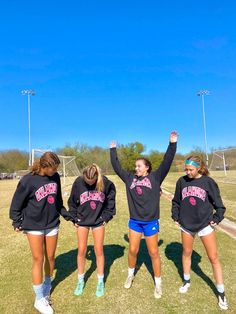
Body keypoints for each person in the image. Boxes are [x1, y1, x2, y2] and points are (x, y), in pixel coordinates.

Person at [110, 131, 178, 298]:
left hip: (150, 222)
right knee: (132, 250)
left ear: (147, 167)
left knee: (153, 252)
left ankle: (158, 283)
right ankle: (130, 274)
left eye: (139, 166)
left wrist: (172, 143)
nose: (136, 168)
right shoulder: (129, 178)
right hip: (135, 221)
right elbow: (117, 167)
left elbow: (167, 161)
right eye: (135, 166)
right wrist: (112, 150)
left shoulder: (156, 178)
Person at [9, 152, 72, 314]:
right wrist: (16, 221)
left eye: (56, 168)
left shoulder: (55, 177)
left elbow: (58, 201)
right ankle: (39, 299)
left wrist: (66, 215)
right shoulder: (28, 180)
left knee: (50, 257)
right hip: (34, 225)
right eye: (53, 168)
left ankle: (47, 286)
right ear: (44, 166)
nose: (55, 171)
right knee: (38, 259)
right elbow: (16, 203)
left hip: (52, 224)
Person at [171, 156, 228, 310]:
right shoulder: (181, 182)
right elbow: (176, 201)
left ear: (199, 168)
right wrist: (176, 216)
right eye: (186, 169)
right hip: (186, 225)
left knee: (213, 257)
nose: (188, 172)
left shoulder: (208, 182)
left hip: (204, 224)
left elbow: (220, 206)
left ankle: (221, 293)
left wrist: (217, 218)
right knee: (186, 253)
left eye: (191, 169)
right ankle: (187, 280)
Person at [68, 163, 116, 297]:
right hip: (82, 222)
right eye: (87, 181)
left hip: (98, 222)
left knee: (98, 250)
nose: (89, 184)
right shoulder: (78, 182)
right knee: (82, 250)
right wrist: (74, 218)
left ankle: (100, 281)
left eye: (92, 182)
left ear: (97, 177)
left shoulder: (105, 182)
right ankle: (80, 280)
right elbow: (72, 202)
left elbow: (111, 201)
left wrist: (106, 217)